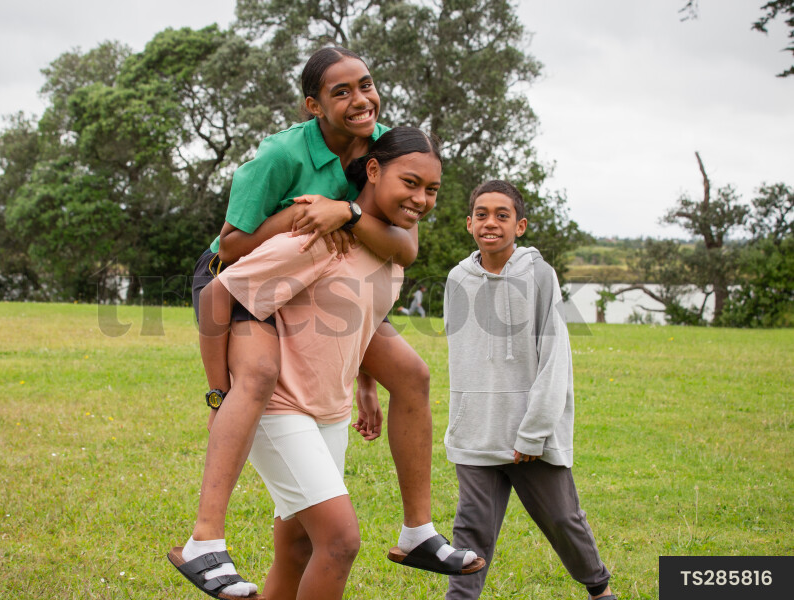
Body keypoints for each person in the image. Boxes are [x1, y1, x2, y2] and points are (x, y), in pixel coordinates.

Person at [174, 47, 480, 597]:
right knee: (259, 375)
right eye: (342, 93)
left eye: (366, 84)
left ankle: (419, 531)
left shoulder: (386, 145)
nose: (361, 100)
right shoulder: (280, 156)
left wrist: (352, 212)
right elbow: (232, 247)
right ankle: (205, 537)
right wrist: (298, 215)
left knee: (411, 374)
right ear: (313, 106)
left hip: (320, 281)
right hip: (240, 265)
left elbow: (402, 251)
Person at [442, 180, 616, 600]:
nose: (490, 223)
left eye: (502, 215)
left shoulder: (539, 275)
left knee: (563, 520)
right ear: (469, 223)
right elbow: (463, 359)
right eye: (482, 214)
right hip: (476, 434)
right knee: (470, 532)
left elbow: (555, 359)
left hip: (530, 435)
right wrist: (462, 422)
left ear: (519, 226)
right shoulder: (456, 279)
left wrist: (534, 430)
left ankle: (600, 591)